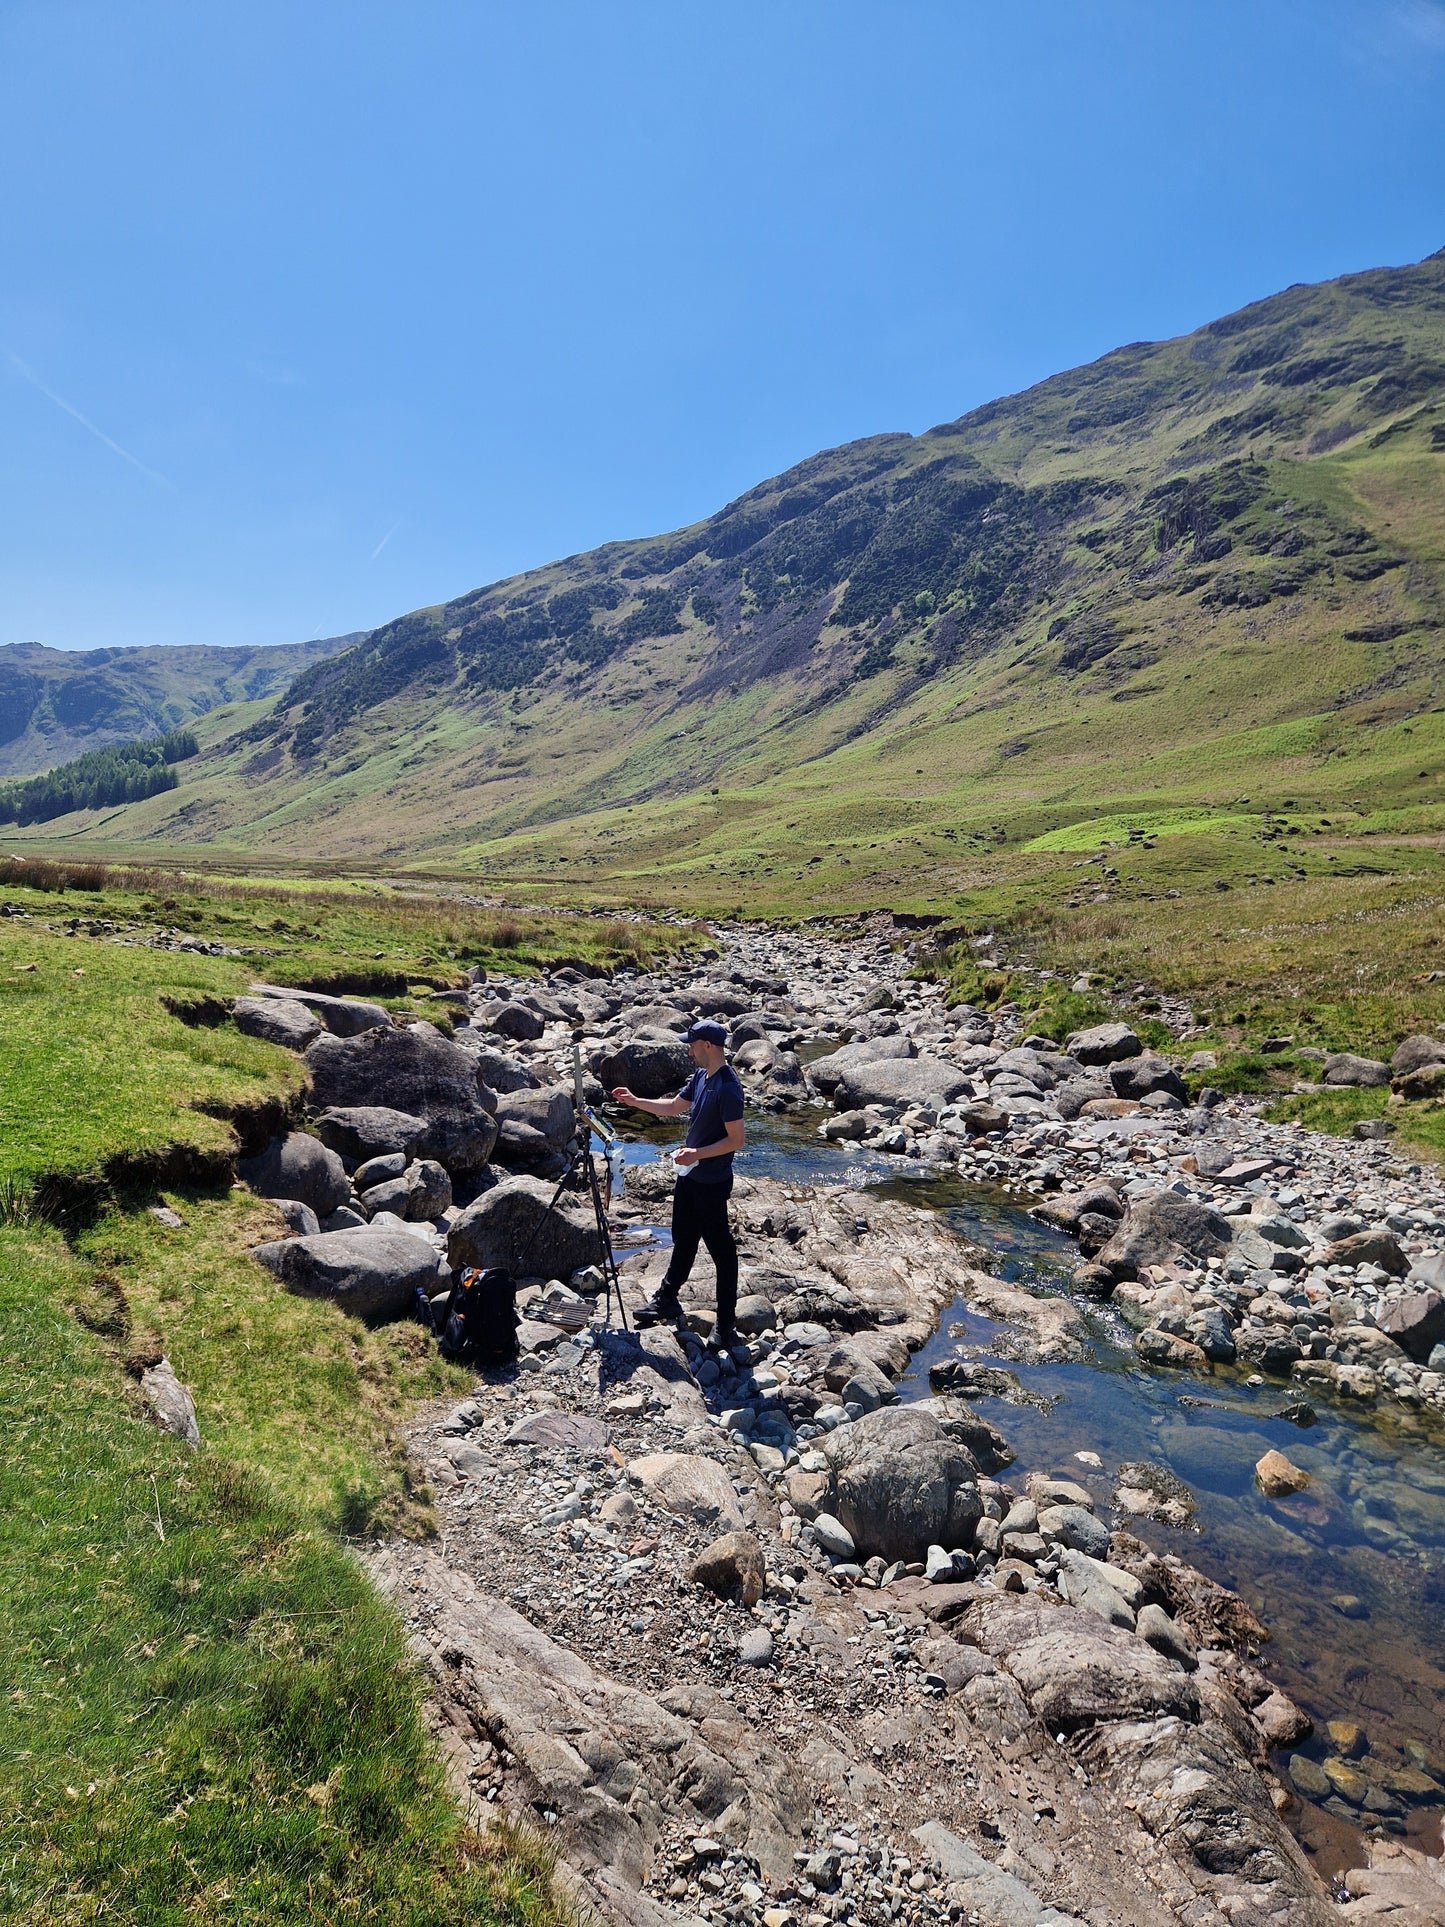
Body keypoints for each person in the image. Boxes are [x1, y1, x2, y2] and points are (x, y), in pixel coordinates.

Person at [610, 1018, 745, 1349]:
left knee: (722, 1251)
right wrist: (635, 1100)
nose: (689, 1049)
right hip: (690, 1176)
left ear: (708, 1047)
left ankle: (726, 1324)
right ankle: (667, 1298)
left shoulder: (728, 1087)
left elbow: (736, 1140)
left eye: (693, 1044)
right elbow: (673, 1107)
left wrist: (697, 1153)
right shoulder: (701, 1075)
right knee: (683, 1239)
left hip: (712, 1181)